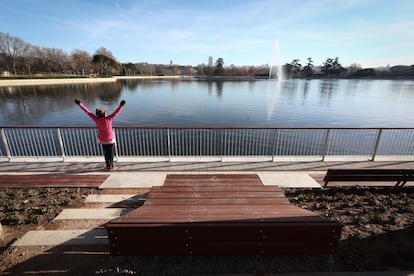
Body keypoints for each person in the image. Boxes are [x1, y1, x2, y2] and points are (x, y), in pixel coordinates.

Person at [74, 99, 126, 170]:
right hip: (110, 139)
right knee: (111, 153)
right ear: (104, 113)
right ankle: (111, 166)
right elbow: (116, 112)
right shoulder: (109, 119)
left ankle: (108, 165)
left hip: (102, 139)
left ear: (97, 114)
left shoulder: (96, 119)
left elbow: (87, 112)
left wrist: (80, 104)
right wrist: (121, 105)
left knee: (106, 152)